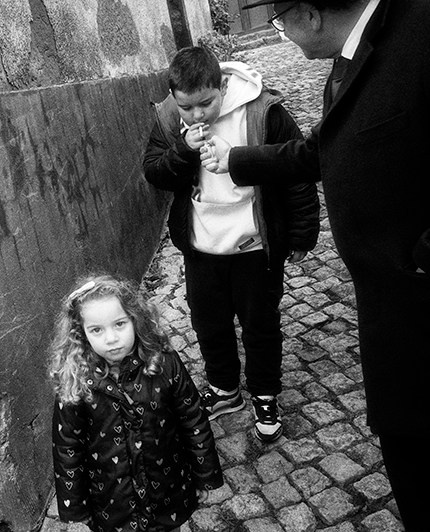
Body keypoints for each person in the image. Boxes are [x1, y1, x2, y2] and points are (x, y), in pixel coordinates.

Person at [200, 1, 430, 529]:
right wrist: (235, 161)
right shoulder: (348, 60)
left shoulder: (420, 30)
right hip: (387, 312)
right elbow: (320, 151)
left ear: (311, 13)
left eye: (281, 23)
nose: (284, 35)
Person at [142, 46, 319, 442]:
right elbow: (155, 172)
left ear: (221, 85)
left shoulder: (262, 110)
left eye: (206, 103)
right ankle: (225, 389)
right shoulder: (170, 118)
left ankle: (265, 394)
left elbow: (295, 171)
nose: (197, 115)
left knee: (261, 325)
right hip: (202, 248)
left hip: (254, 246)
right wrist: (185, 152)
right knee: (209, 324)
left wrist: (302, 232)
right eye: (187, 106)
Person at [49, 275, 223, 532]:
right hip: (112, 501)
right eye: (96, 330)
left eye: (119, 324)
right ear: (81, 333)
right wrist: (75, 506)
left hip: (167, 488)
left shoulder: (164, 364)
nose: (111, 338)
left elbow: (193, 419)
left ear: (135, 318)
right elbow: (67, 448)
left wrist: (204, 476)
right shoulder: (76, 379)